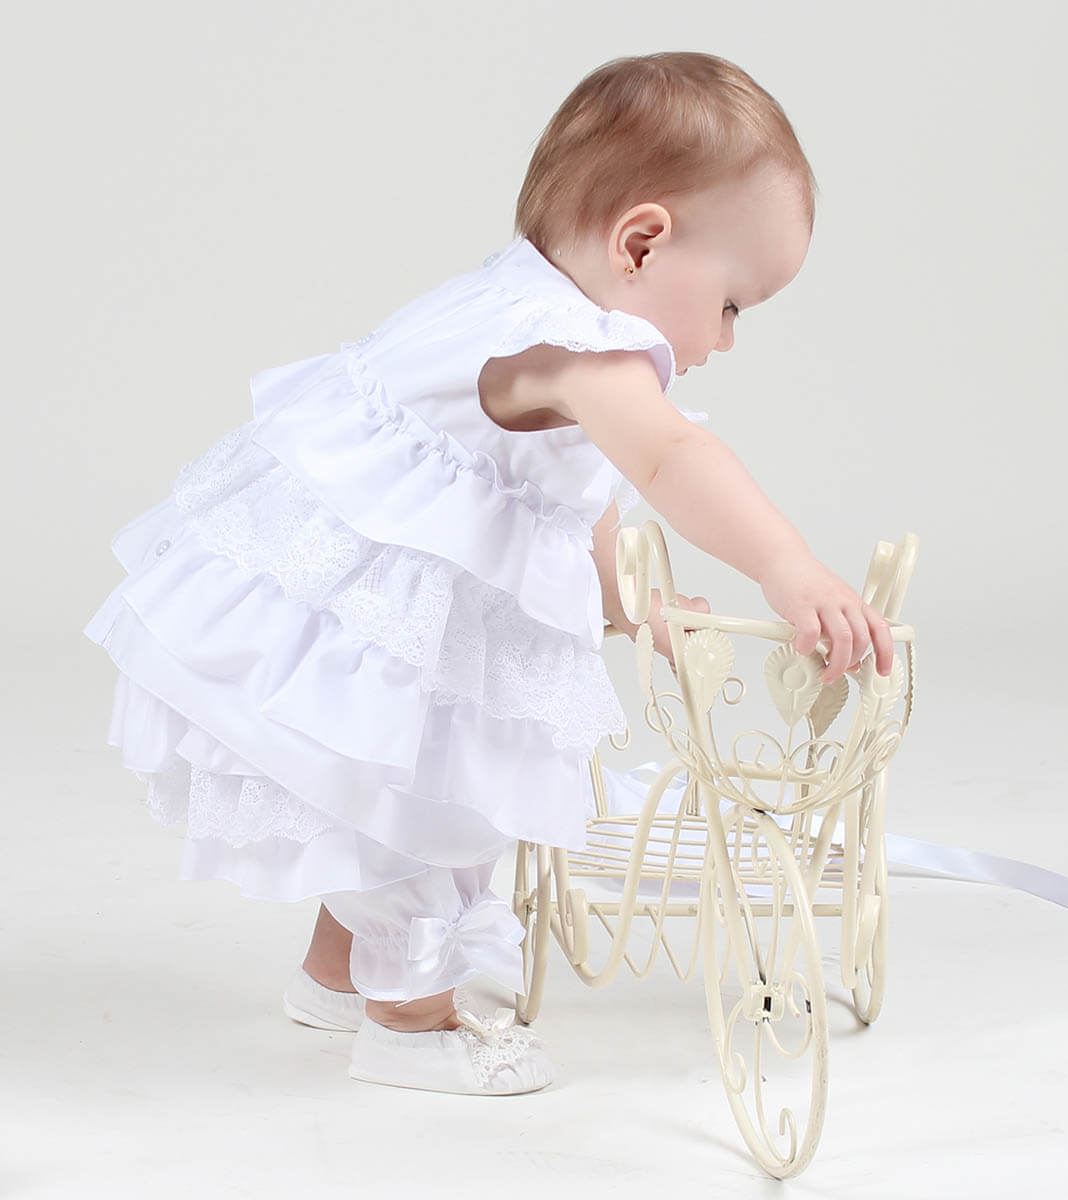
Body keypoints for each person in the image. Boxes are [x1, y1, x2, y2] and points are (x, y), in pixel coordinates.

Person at [83, 51, 893, 1097]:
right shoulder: (571, 348)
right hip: (355, 623)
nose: (728, 340)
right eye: (737, 303)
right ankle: (412, 1025)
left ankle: (337, 977)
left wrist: (634, 600)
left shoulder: (518, 306)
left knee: (393, 791)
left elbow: (573, 497)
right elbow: (670, 458)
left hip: (361, 617)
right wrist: (791, 569)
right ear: (641, 241)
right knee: (433, 807)